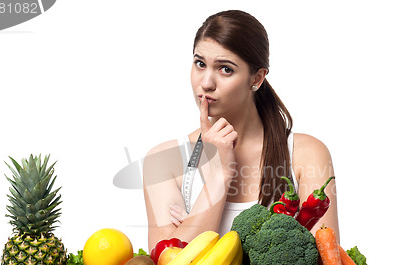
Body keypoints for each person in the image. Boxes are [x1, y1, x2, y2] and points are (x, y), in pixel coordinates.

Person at [143, 10, 339, 251]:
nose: (206, 83)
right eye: (200, 63)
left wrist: (194, 226)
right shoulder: (164, 161)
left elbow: (325, 262)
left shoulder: (305, 154)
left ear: (256, 78)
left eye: (225, 69)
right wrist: (220, 174)